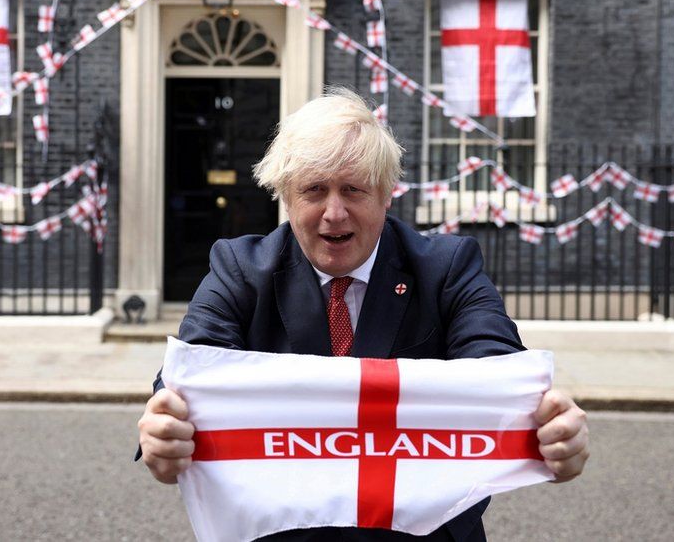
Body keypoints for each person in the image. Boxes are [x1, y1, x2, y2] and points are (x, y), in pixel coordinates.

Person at [138, 87, 589, 541]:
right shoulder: (239, 268)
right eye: (314, 190)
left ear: (387, 194)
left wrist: (548, 427)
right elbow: (190, 373)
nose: (334, 213)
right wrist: (165, 426)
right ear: (286, 197)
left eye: (353, 189)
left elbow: (500, 374)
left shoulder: (447, 267)